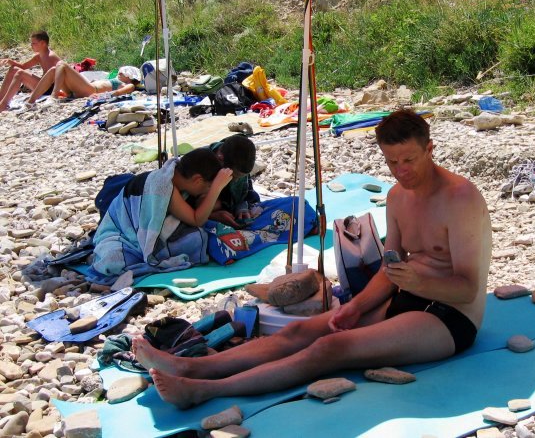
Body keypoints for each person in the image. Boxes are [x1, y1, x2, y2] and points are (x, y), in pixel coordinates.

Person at [131, 109, 492, 408]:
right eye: (392, 161)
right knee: (300, 331)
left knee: (331, 348)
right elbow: (391, 268)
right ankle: (189, 366)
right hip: (408, 297)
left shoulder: (460, 198)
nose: (401, 171)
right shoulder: (398, 197)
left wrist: (417, 282)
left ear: (430, 149)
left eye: (409, 160)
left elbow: (467, 289)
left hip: (450, 317)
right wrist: (355, 307)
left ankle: (205, 390)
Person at [90, 148, 233, 284]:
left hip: (138, 234)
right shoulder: (163, 185)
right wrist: (216, 188)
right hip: (121, 235)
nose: (207, 191)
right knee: (113, 261)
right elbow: (197, 220)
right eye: (208, 187)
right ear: (197, 180)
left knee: (197, 236)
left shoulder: (172, 176)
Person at [207, 134, 261, 227]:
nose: (236, 181)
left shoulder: (238, 161)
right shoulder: (199, 165)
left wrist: (242, 207)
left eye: (241, 177)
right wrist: (211, 215)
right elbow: (185, 208)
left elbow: (248, 192)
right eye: (233, 176)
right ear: (220, 159)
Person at [0, 31, 61, 112]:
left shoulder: (50, 56)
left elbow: (52, 80)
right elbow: (23, 66)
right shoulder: (39, 56)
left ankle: (3, 105)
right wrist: (10, 61)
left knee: (20, 74)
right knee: (13, 69)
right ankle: (1, 98)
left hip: (48, 89)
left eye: (33, 43)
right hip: (42, 84)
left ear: (43, 43)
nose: (31, 45)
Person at [27, 62, 142, 104]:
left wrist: (102, 96)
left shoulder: (128, 85)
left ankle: (53, 96)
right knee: (53, 70)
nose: (119, 73)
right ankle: (30, 102)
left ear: (130, 77)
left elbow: (119, 93)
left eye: (123, 73)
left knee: (61, 64)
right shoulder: (117, 80)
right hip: (80, 90)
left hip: (90, 90)